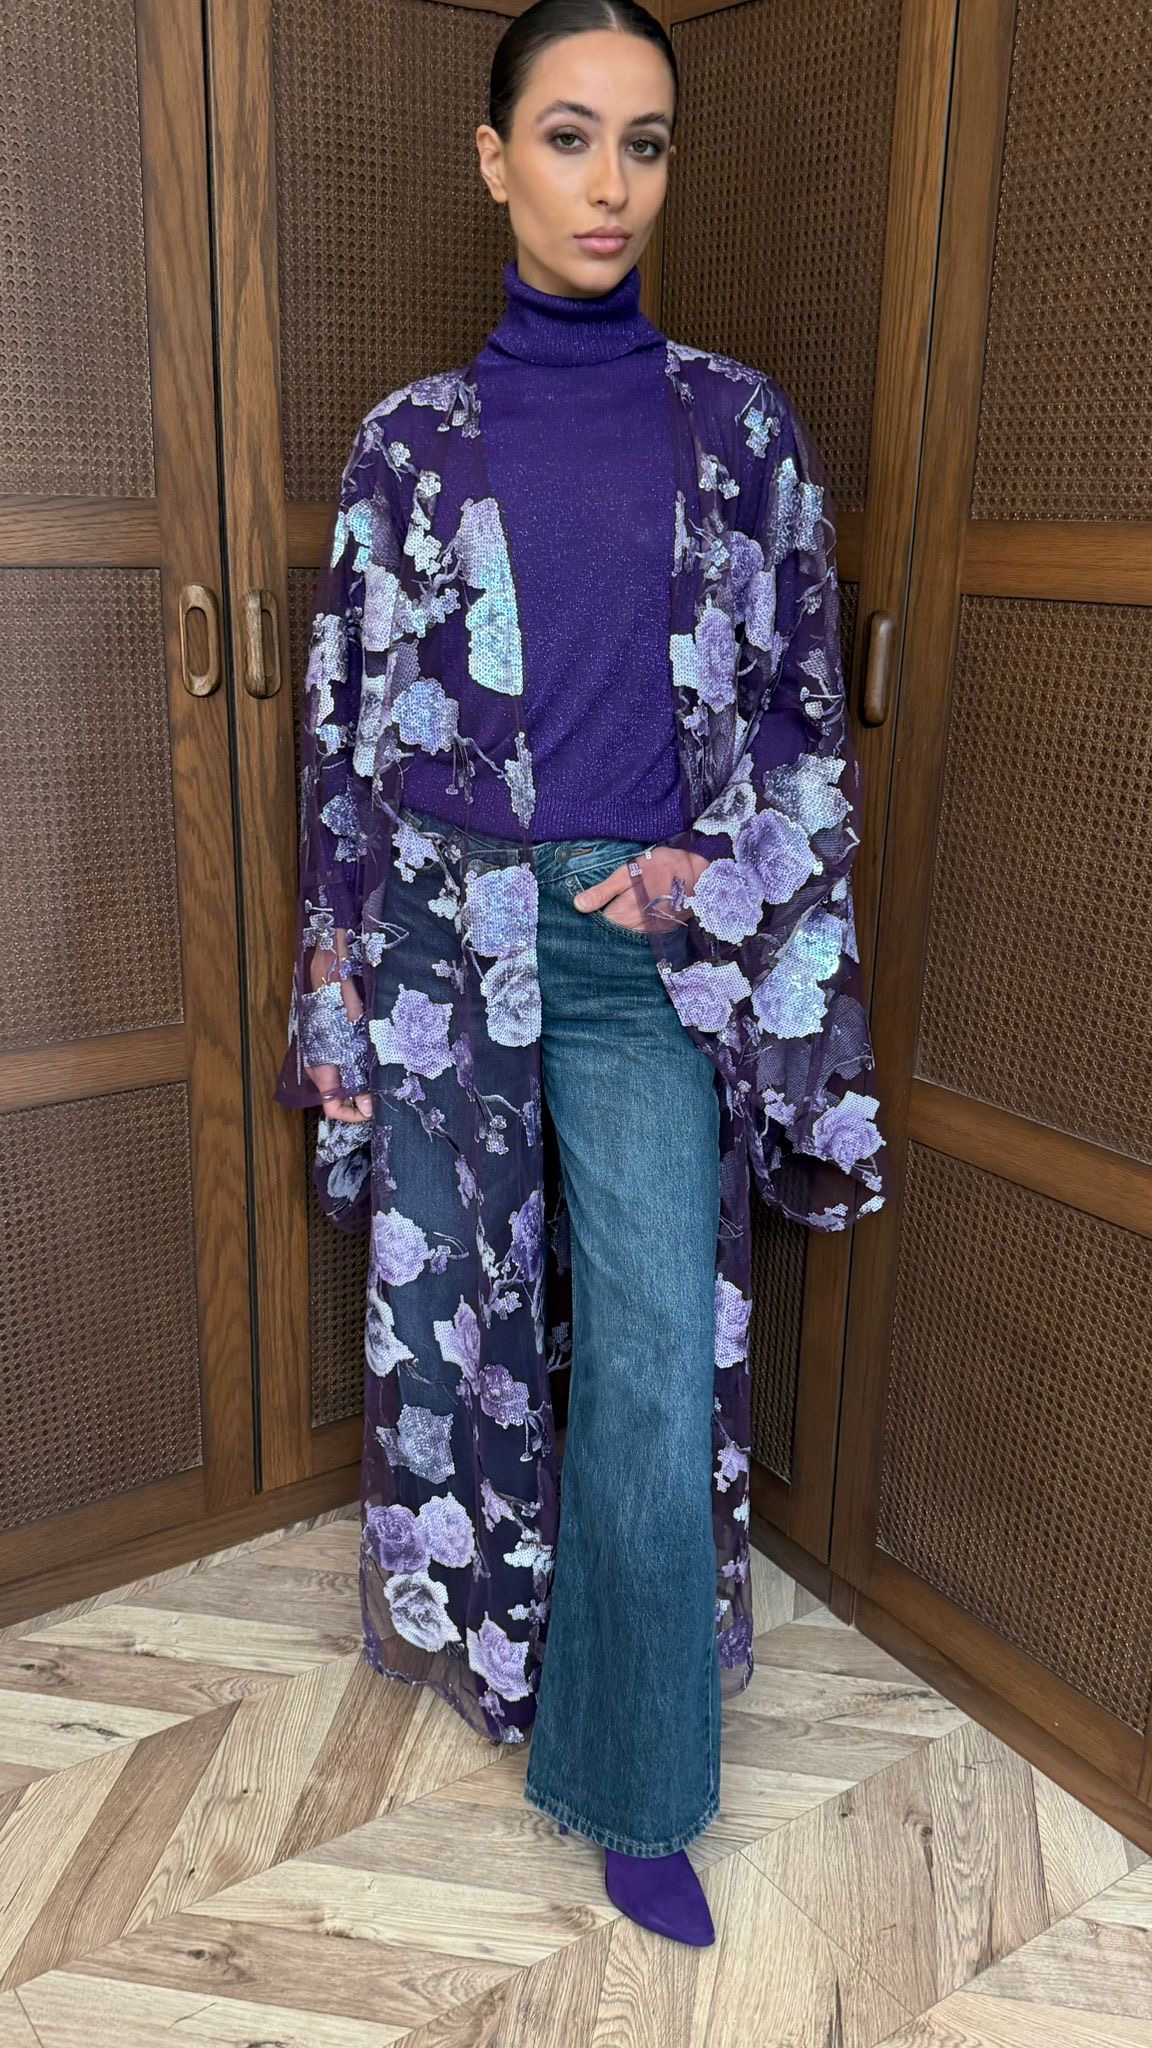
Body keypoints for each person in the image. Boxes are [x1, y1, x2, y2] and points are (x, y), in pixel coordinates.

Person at [273, 0, 888, 1947]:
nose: (608, 182)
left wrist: (714, 865)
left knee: (645, 1362)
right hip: (445, 941)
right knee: (462, 1334)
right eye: (566, 135)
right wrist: (341, 990)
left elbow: (798, 703)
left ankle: (634, 1781)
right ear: (493, 159)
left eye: (643, 141)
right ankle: (501, 1652)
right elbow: (345, 739)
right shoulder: (405, 449)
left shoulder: (741, 427)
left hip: (640, 955)